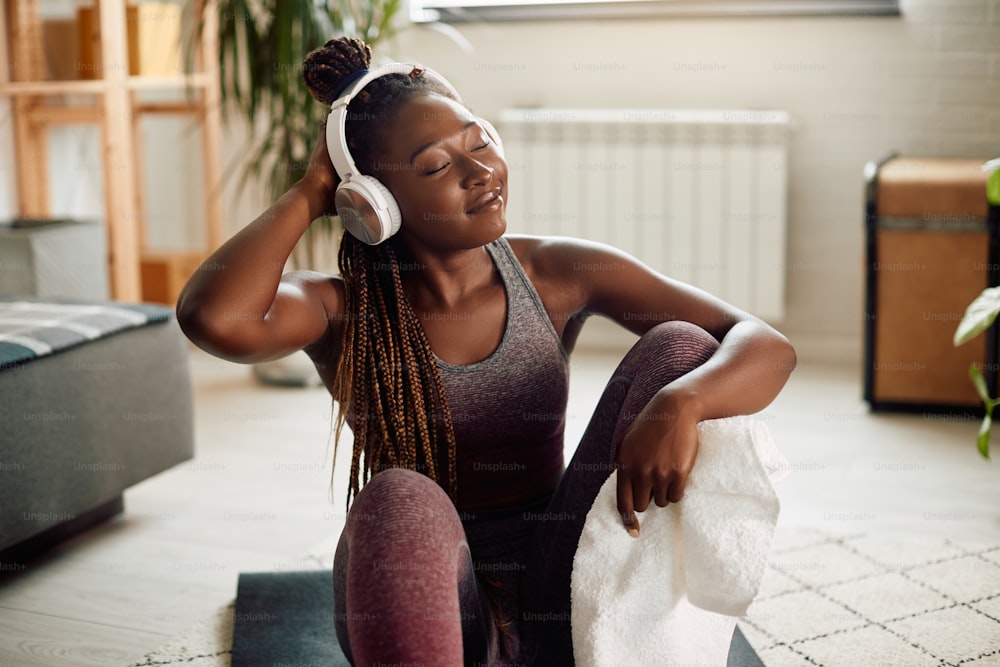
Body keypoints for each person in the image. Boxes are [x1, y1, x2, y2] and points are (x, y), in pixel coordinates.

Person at [176, 35, 796, 667]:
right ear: (374, 205)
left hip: (572, 579)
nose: (481, 173)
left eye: (480, 142)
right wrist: (314, 190)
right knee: (396, 497)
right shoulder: (342, 308)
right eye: (437, 166)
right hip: (430, 595)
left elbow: (764, 345)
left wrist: (682, 403)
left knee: (682, 347)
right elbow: (212, 319)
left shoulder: (556, 271)